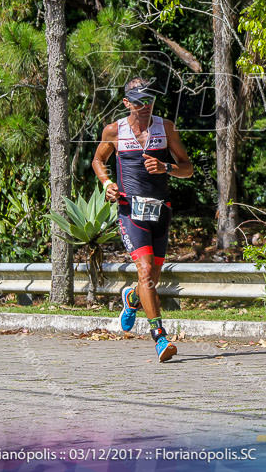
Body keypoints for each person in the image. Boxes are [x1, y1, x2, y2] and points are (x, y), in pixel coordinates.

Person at [92, 77, 193, 362]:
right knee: (146, 272)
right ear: (126, 103)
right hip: (130, 210)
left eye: (149, 100)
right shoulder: (114, 131)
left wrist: (167, 167)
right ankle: (159, 337)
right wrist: (106, 183)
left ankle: (132, 299)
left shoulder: (166, 128)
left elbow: (188, 168)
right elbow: (98, 160)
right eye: (138, 101)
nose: (144, 106)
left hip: (160, 211)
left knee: (152, 278)